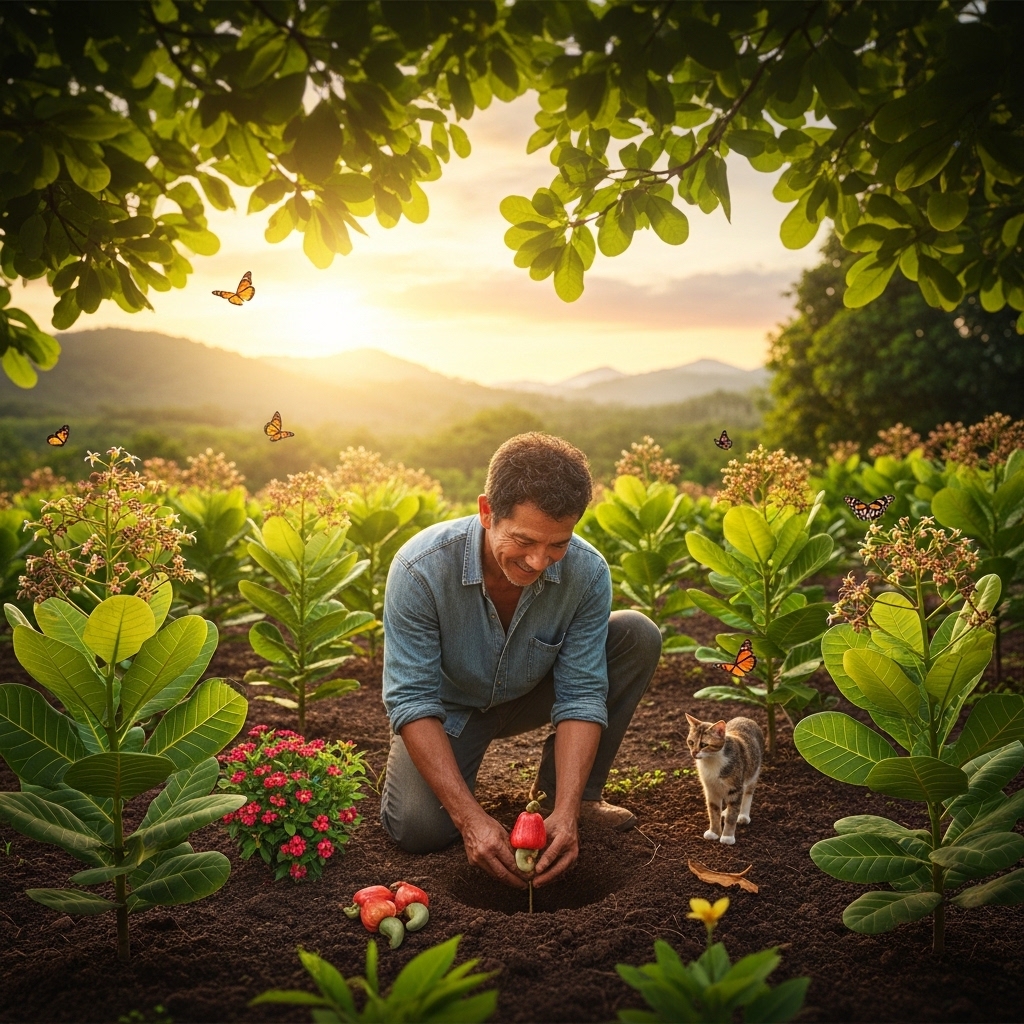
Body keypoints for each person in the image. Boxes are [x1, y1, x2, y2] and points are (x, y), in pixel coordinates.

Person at [379, 433, 662, 890]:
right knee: (417, 828)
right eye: (524, 540)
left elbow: (583, 693)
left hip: (532, 689)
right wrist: (470, 819)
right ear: (487, 511)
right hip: (453, 710)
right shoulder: (420, 570)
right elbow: (412, 700)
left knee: (636, 634)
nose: (538, 561)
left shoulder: (587, 573)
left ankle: (578, 798)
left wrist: (565, 811)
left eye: (558, 545)